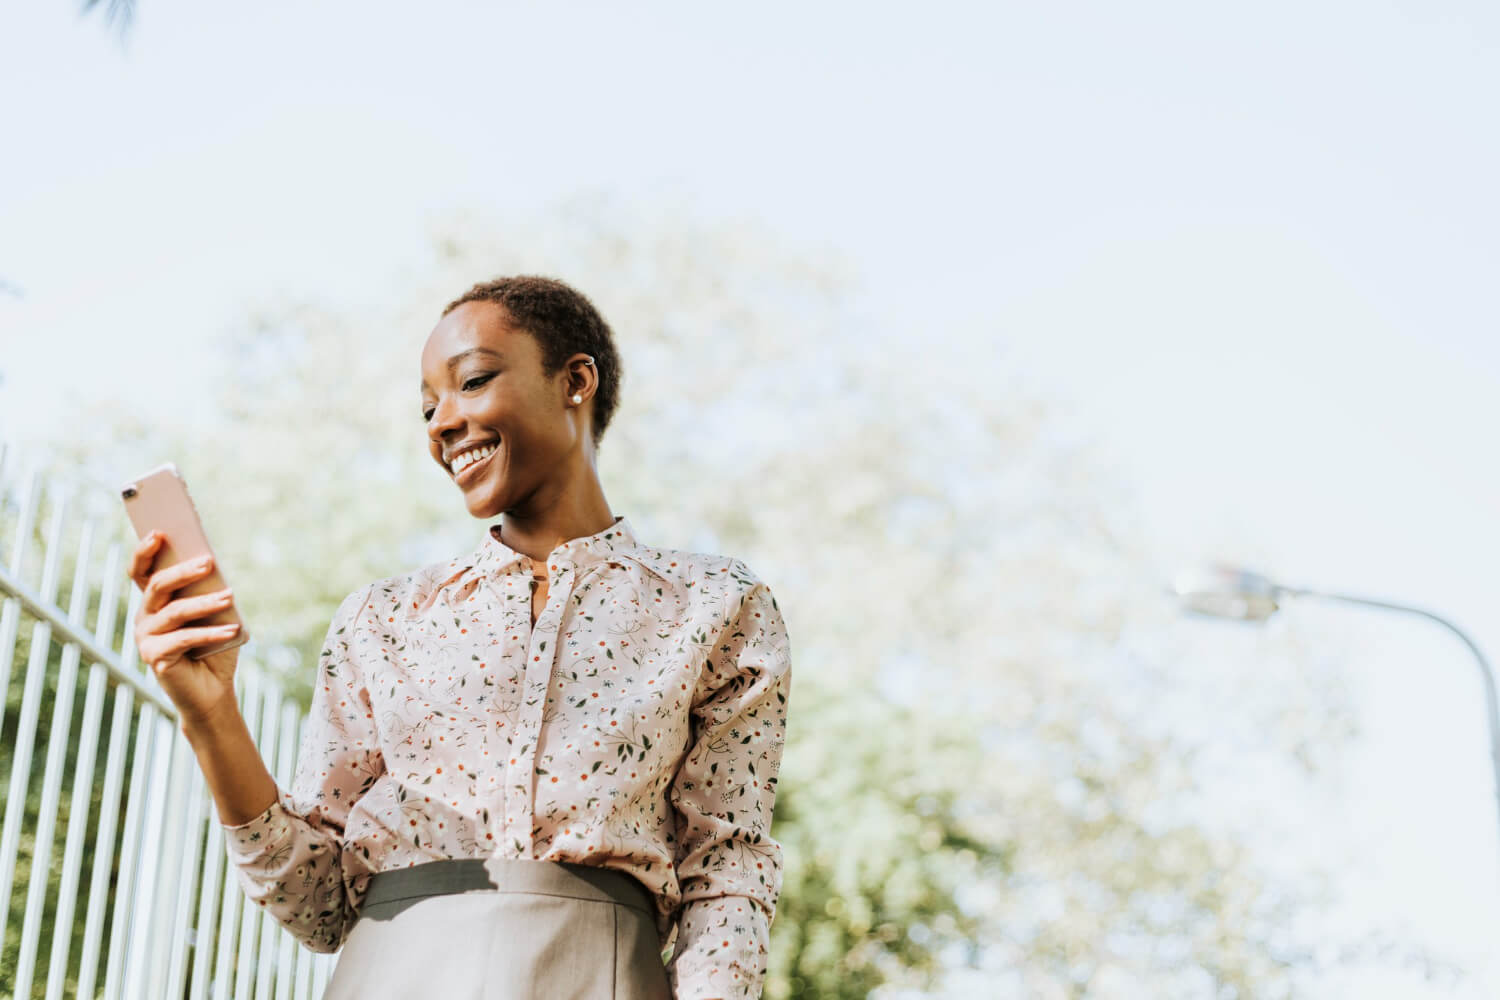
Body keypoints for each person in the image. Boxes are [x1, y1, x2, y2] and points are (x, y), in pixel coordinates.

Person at [130, 275, 793, 1000]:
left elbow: (727, 873)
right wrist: (211, 715)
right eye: (426, 408)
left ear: (576, 380)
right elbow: (318, 908)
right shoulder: (380, 620)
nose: (441, 422)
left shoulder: (715, 606)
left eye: (471, 381)